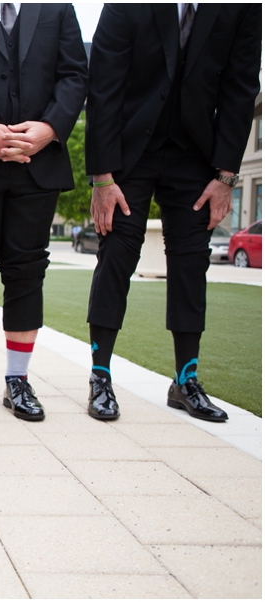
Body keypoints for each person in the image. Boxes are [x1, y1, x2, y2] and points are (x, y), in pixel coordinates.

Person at [85, 4, 261, 421]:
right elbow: (104, 84)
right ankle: (100, 376)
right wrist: (102, 178)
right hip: (130, 150)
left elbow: (240, 87)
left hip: (196, 154)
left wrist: (227, 176)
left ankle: (185, 380)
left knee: (191, 259)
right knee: (117, 251)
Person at [0, 4, 88, 423]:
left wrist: (51, 128)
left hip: (37, 164)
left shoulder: (58, 7)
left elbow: (75, 73)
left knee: (27, 270)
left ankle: (17, 381)